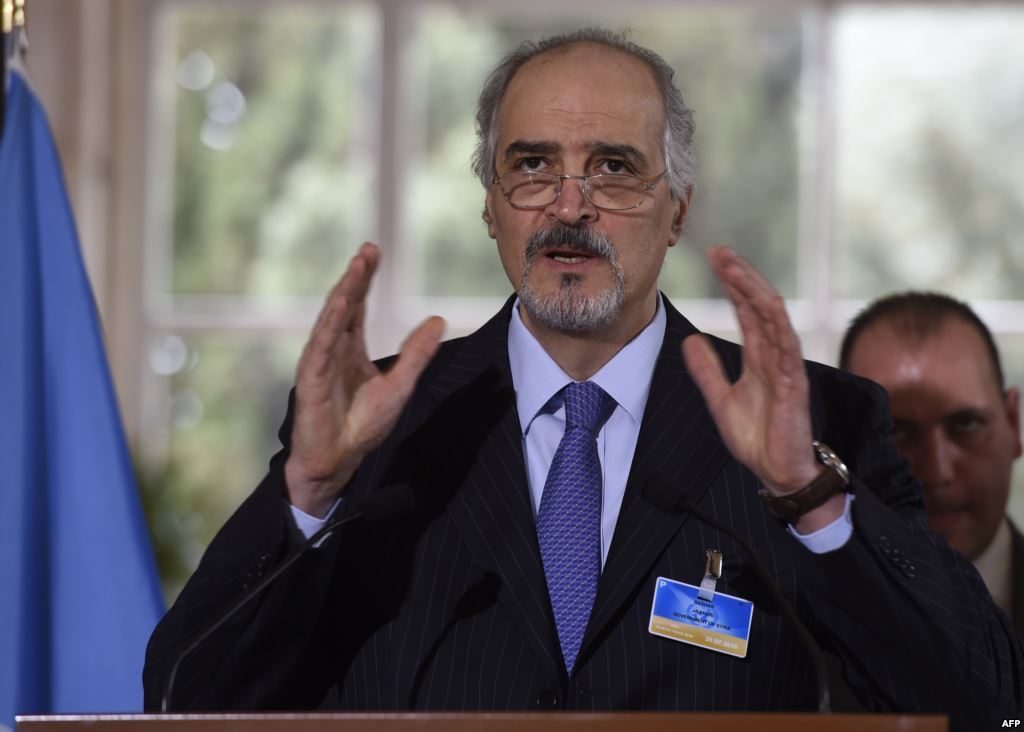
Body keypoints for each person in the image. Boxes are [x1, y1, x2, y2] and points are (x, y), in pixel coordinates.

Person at [143, 29, 1021, 727]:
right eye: (532, 167)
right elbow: (183, 695)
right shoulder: (377, 426)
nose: (570, 205)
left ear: (677, 206)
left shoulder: (815, 423)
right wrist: (308, 492)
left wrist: (808, 497)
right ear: (490, 206)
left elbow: (984, 702)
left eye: (613, 167)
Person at [840, 292, 1024, 632]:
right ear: (842, 443)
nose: (937, 472)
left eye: (966, 424)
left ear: (1013, 422)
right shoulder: (784, 618)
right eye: (894, 431)